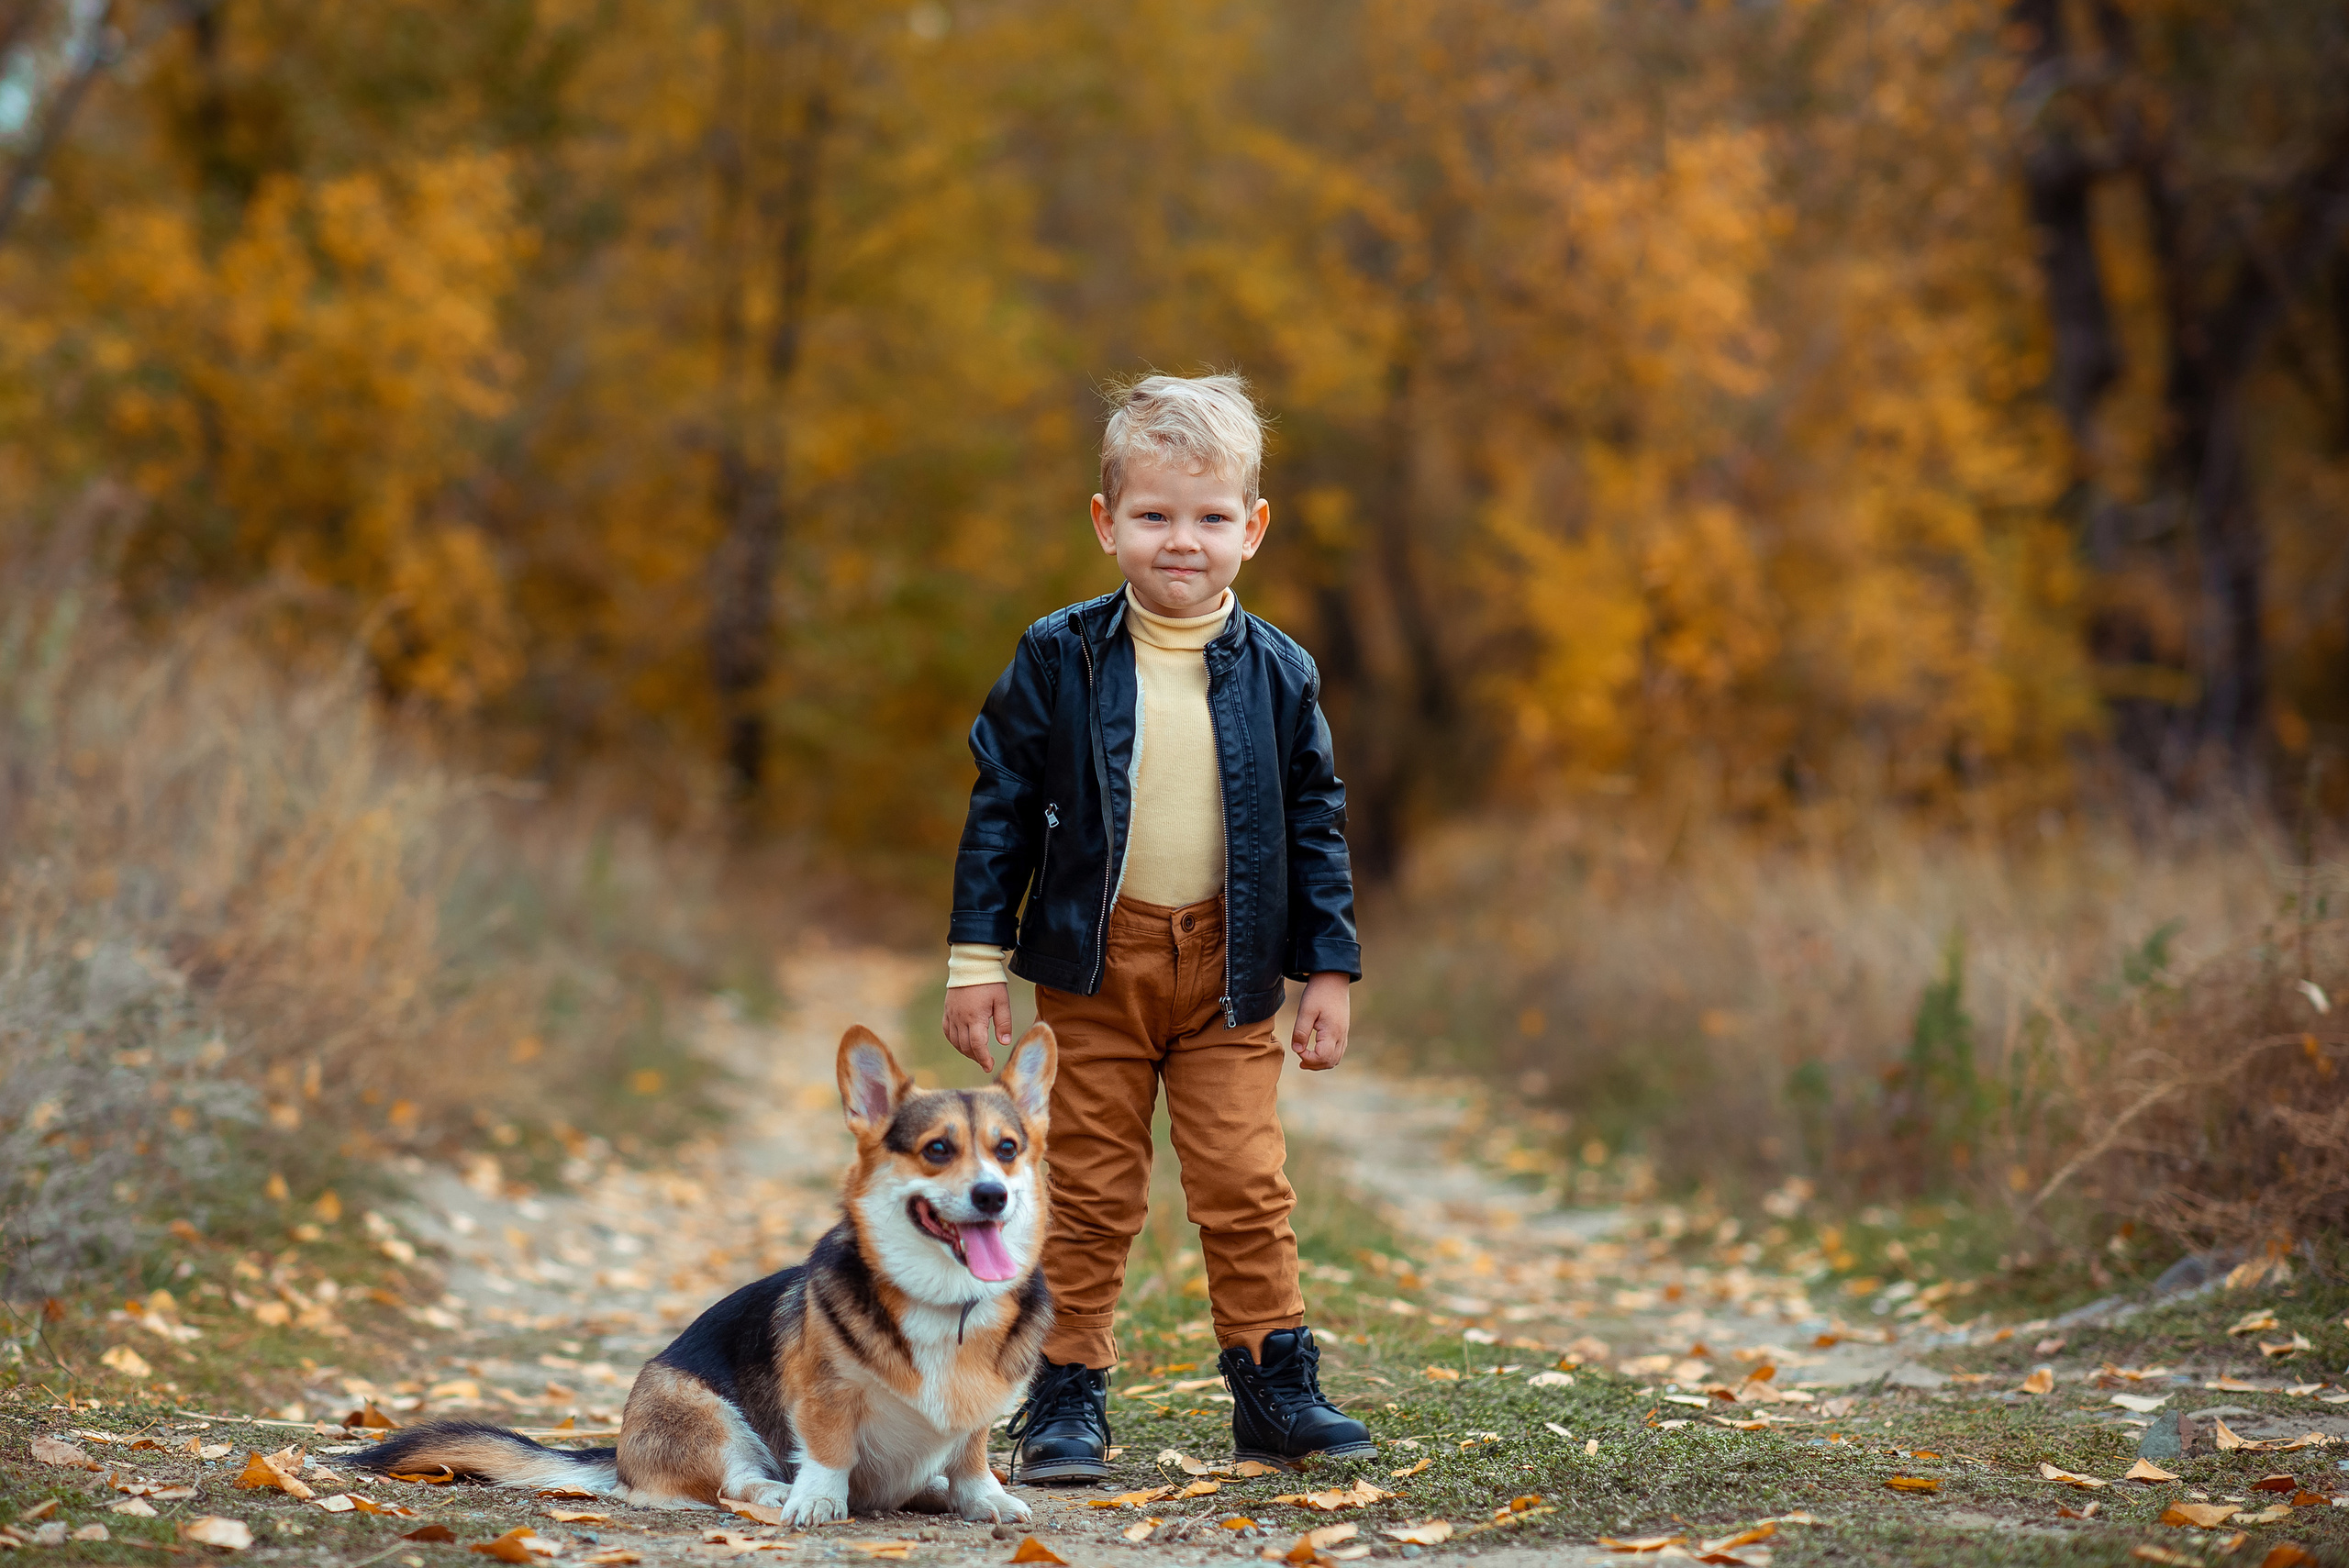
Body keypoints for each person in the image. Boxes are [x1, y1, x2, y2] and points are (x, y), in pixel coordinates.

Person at [940, 373, 1370, 1478]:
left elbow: (1315, 820)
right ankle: (1064, 1393)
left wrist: (1328, 964)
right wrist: (976, 958)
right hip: (1093, 968)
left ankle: (1274, 1382)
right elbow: (999, 809)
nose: (1183, 541)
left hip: (1230, 973)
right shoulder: (1059, 656)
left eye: (1211, 517)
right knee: (1087, 1183)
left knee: (1242, 1179)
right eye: (1154, 515)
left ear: (1252, 528)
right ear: (1106, 523)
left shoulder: (1279, 671)